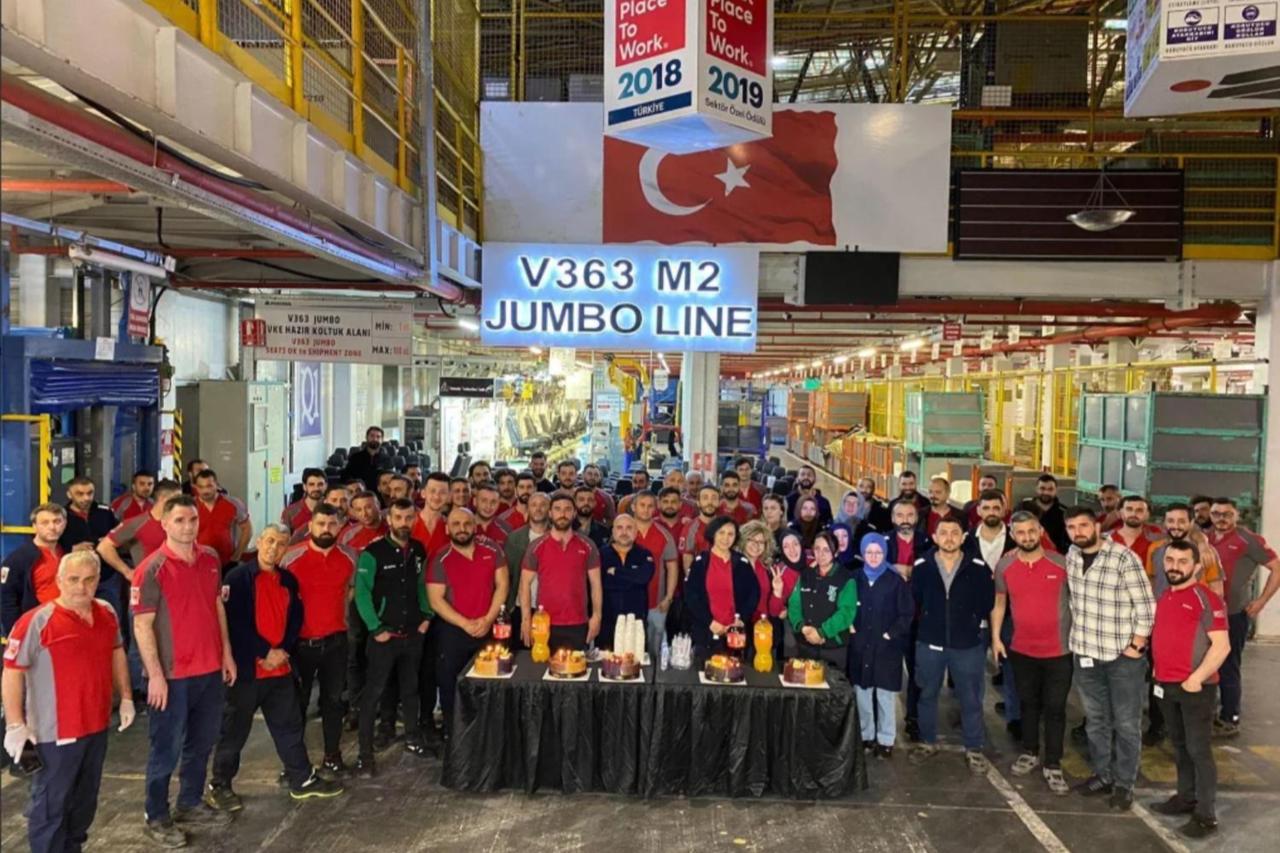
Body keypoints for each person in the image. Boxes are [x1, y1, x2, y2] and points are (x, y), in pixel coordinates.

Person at [3, 550, 135, 853]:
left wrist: (126, 697)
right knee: (50, 808)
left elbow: (116, 650)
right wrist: (15, 724)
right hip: (54, 734)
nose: (81, 587)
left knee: (84, 805)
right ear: (59, 580)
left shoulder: (106, 613)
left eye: (89, 580)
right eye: (73, 580)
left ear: (98, 580)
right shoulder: (35, 622)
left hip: (96, 728)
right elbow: (12, 672)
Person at [206, 526, 342, 811]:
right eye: (269, 541)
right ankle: (220, 785)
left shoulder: (289, 580)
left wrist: (282, 651)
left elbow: (295, 620)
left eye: (281, 544)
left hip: (279, 672)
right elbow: (235, 624)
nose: (274, 548)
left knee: (290, 727)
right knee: (233, 732)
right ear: (259, 542)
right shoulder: (238, 578)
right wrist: (263, 652)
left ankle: (301, 779)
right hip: (246, 673)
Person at [132, 495, 237, 846]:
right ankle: (156, 814)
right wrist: (156, 675)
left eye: (192, 520)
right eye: (179, 520)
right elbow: (142, 626)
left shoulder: (209, 558)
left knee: (202, 742)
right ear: (163, 522)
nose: (188, 526)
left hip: (208, 671)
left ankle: (190, 802)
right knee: (165, 748)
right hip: (172, 678)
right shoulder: (151, 569)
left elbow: (215, 607)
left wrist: (226, 654)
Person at [1062, 505, 1155, 811]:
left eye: (1084, 526)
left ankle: (1125, 784)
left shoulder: (1123, 558)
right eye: (1072, 527)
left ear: (1096, 527)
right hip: (1086, 653)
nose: (1078, 532)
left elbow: (1146, 606)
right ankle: (1103, 774)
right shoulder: (1072, 556)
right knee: (1096, 721)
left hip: (1122, 658)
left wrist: (1137, 645)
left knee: (1127, 724)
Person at [1148, 540, 1231, 839]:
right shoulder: (1165, 596)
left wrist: (1197, 677)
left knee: (1199, 751)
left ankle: (1206, 816)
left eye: (1183, 561)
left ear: (1197, 566)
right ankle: (1186, 797)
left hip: (1196, 688)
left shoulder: (1206, 598)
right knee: (1180, 746)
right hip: (1167, 685)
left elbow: (1222, 646)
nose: (1174, 566)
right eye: (1170, 560)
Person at [991, 512, 1073, 795]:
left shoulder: (1062, 564)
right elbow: (999, 603)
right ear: (1013, 536)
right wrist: (996, 638)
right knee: (1028, 704)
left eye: (1031, 531)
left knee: (1055, 708)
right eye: (1020, 533)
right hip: (1022, 649)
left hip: (1059, 651)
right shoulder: (1005, 566)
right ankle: (1030, 751)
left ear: (1040, 531)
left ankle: (1053, 763)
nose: (1026, 537)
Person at [353, 499, 433, 776]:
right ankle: (365, 755)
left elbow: (423, 585)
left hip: (413, 635)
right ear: (389, 520)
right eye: (398, 517)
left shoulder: (419, 550)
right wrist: (376, 628)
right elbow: (362, 594)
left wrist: (426, 616)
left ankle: (412, 737)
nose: (404, 523)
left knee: (411, 690)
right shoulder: (372, 553)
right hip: (383, 638)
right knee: (373, 694)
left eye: (409, 517)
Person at [909, 517, 995, 774]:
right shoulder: (922, 566)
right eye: (943, 533)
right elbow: (917, 598)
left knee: (970, 697)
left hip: (966, 644)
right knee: (926, 694)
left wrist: (967, 622)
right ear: (934, 537)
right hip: (930, 642)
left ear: (963, 537)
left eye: (954, 532)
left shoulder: (978, 567)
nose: (949, 537)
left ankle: (974, 747)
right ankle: (927, 741)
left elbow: (986, 603)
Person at [280, 505, 356, 774]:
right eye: (321, 523)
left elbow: (353, 590)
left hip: (336, 642)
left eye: (332, 524)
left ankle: (332, 755)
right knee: (296, 705)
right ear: (310, 526)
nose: (326, 529)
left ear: (340, 526)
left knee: (333, 702)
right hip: (300, 645)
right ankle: (294, 764)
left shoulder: (350, 557)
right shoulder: (289, 558)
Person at [427, 508, 508, 735]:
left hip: (489, 628)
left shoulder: (493, 550)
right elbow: (435, 600)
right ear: (447, 528)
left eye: (466, 523)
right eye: (456, 524)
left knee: (491, 682)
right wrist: (465, 623)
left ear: (474, 526)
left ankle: (489, 731)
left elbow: (502, 585)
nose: (461, 528)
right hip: (453, 631)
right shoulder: (440, 558)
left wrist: (488, 619)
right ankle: (454, 734)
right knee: (450, 684)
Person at [1206, 497, 1279, 737]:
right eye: (1216, 513)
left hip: (1233, 615)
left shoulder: (1248, 540)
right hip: (1204, 616)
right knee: (1204, 665)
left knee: (1228, 666)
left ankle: (1230, 718)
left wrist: (1260, 602)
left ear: (1236, 515)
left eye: (1227, 514)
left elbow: (1277, 568)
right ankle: (1208, 713)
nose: (1221, 518)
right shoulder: (1202, 537)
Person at [848, 532, 913, 759]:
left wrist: (890, 634)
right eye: (869, 552)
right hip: (860, 645)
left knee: (885, 696)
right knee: (863, 694)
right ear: (863, 554)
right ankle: (867, 736)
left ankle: (886, 739)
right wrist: (850, 626)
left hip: (886, 647)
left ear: (884, 553)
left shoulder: (895, 581)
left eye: (878, 553)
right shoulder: (854, 578)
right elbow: (844, 606)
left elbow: (906, 613)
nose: (873, 557)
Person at [965, 489, 1021, 737]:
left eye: (995, 508)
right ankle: (973, 718)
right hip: (975, 617)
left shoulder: (1017, 539)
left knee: (1012, 669)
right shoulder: (965, 540)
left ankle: (1016, 717)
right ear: (978, 511)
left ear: (1004, 510)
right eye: (985, 508)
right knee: (973, 670)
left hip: (1011, 615)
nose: (990, 513)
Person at [519, 493, 603, 650]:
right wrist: (526, 619)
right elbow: (524, 584)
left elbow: (596, 585)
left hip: (578, 622)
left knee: (576, 670)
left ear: (574, 513)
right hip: (544, 623)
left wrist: (597, 616)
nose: (562, 514)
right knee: (541, 670)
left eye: (567, 509)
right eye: (557, 509)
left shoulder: (588, 545)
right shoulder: (537, 546)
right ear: (550, 513)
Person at [682, 517, 759, 658]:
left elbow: (753, 593)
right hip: (706, 630)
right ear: (713, 534)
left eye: (731, 534)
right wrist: (710, 622)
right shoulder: (701, 562)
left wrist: (740, 619)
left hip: (735, 631)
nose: (726, 538)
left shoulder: (742, 562)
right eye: (721, 533)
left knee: (735, 673)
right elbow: (691, 597)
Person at [887, 500, 930, 741]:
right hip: (890, 619)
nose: (905, 519)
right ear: (892, 518)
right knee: (885, 669)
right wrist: (893, 567)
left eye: (910, 514)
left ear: (916, 518)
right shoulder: (882, 544)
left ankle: (914, 719)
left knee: (917, 672)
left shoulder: (928, 543)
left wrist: (908, 570)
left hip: (918, 619)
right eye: (900, 514)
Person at [786, 531, 857, 669]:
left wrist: (822, 632)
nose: (821, 554)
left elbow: (846, 612)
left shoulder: (846, 578)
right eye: (817, 549)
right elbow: (794, 604)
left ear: (835, 552)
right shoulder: (806, 575)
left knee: (833, 689)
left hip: (833, 647)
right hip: (805, 644)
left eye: (826, 550)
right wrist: (802, 626)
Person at [1, 503, 67, 635]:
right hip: (37, 626)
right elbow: (6, 598)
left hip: (64, 623)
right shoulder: (18, 559)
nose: (52, 527)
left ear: (65, 523)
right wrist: (15, 634)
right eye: (45, 523)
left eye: (57, 521)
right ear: (34, 526)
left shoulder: (67, 553)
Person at [631, 492, 679, 660]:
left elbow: (672, 567)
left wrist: (669, 597)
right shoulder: (623, 531)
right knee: (629, 649)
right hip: (628, 602)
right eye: (642, 505)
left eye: (650, 506)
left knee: (654, 650)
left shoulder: (664, 535)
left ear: (656, 508)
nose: (646, 509)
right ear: (633, 507)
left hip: (656, 602)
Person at [598, 514, 655, 651]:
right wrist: (632, 578)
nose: (624, 532)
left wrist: (616, 572)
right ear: (613, 531)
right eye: (619, 528)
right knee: (607, 666)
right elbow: (602, 583)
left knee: (635, 665)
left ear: (636, 532)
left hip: (636, 622)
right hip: (607, 622)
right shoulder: (600, 554)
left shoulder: (644, 554)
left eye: (629, 528)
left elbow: (643, 578)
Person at [1146, 504, 1224, 599]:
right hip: (1161, 609)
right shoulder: (1154, 548)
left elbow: (1216, 590)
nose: (1176, 526)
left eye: (1181, 521)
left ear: (1191, 523)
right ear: (1165, 523)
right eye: (1170, 521)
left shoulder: (1206, 551)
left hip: (1196, 611)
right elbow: (1150, 581)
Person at [502, 492, 550, 643]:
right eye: (534, 505)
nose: (538, 509)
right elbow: (507, 575)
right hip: (520, 607)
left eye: (543, 505)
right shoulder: (514, 538)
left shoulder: (558, 537)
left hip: (550, 608)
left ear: (550, 510)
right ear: (527, 509)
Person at [191, 468, 251, 571]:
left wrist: (237, 555)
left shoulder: (233, 504)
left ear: (217, 485)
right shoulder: (190, 506)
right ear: (196, 487)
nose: (205, 491)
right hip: (199, 562)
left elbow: (247, 529)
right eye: (201, 487)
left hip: (228, 563)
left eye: (209, 486)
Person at [1020, 474, 1069, 554]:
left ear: (1056, 490)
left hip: (1054, 555)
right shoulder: (1023, 507)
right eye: (1042, 488)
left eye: (1050, 489)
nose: (1046, 492)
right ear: (1036, 489)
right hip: (1025, 553)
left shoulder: (1064, 512)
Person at [1110, 495, 1163, 565]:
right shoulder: (1107, 538)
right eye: (1129, 509)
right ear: (1121, 513)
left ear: (1147, 515)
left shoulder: (1156, 536)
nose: (1134, 514)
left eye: (1139, 510)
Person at [681, 485, 724, 572]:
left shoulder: (726, 526)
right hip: (700, 577)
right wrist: (692, 581)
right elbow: (687, 558)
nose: (710, 502)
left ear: (719, 502)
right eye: (705, 498)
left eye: (714, 498)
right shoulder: (690, 528)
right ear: (698, 502)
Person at [341, 426, 386, 492]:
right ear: (367, 438)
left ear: (382, 440)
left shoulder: (387, 459)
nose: (375, 439)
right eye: (372, 436)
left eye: (378, 437)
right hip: (359, 493)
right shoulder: (355, 457)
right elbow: (346, 477)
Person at [281, 469, 327, 533]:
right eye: (311, 484)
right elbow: (284, 538)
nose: (316, 488)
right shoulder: (290, 512)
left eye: (320, 484)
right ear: (304, 487)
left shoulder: (332, 509)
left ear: (326, 486)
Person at [573, 485, 612, 550]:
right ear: (574, 502)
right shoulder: (566, 528)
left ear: (595, 503)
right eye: (581, 499)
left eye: (590, 500)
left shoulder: (604, 532)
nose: (586, 503)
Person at [473, 482, 509, 547]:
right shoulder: (463, 526)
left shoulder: (506, 529)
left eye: (493, 502)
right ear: (475, 501)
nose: (488, 506)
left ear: (499, 504)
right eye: (484, 501)